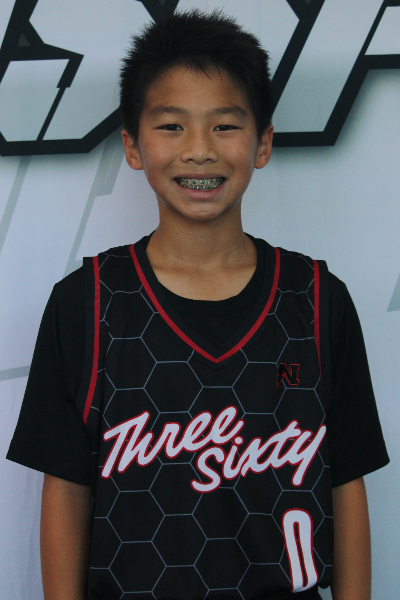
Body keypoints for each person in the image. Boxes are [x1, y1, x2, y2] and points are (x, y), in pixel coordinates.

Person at [7, 9, 389, 600]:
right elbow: (67, 489)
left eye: (225, 125)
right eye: (171, 126)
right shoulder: (86, 302)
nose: (199, 150)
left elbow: (347, 482)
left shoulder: (317, 300)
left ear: (263, 143)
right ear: (133, 146)